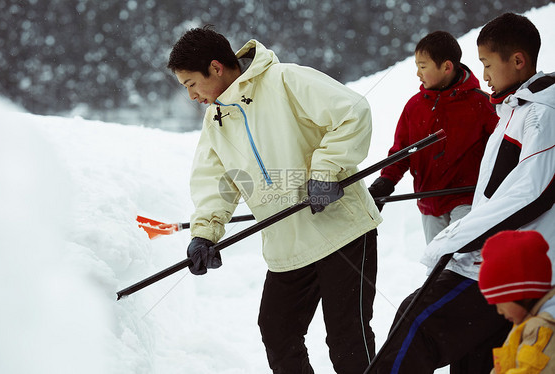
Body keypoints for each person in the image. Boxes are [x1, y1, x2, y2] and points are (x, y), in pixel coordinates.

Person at [167, 26, 383, 373]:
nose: (192, 96)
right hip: (288, 246)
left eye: (192, 84)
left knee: (348, 341)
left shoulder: (285, 80)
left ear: (216, 67)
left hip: (342, 232)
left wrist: (325, 170)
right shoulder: (216, 120)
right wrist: (204, 234)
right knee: (277, 331)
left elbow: (352, 112)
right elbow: (214, 181)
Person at [369, 12, 555, 374]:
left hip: (506, 264)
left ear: (518, 60)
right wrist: (387, 181)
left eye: (488, 64)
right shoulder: (516, 108)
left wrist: (454, 239)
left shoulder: (541, 115)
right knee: (474, 358)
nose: (484, 74)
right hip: (489, 253)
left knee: (416, 325)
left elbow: (532, 192)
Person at [368, 31, 498, 244]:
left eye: (423, 66)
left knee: (461, 257)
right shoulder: (415, 106)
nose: (418, 74)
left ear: (446, 67)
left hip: (468, 199)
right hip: (430, 204)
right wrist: (385, 182)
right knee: (437, 262)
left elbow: (502, 147)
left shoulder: (481, 104)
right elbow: (402, 152)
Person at [478, 230, 555, 373]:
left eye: (499, 302)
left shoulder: (543, 328)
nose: (499, 311)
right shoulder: (527, 321)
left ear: (522, 294)